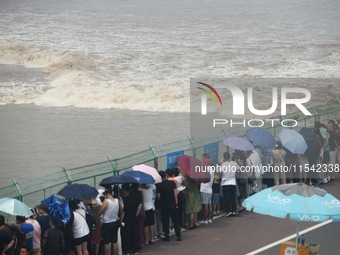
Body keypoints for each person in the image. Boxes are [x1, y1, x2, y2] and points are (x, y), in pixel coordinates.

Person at [157, 171, 181, 241]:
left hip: (164, 205)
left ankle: (167, 236)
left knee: (165, 221)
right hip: (172, 204)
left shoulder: (159, 185)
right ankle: (178, 235)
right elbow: (175, 193)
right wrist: (176, 202)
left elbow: (158, 196)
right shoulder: (172, 183)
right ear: (165, 175)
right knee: (175, 220)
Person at [121, 185, 142, 255]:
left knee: (126, 235)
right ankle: (135, 249)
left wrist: (121, 220)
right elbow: (140, 204)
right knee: (135, 233)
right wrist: (136, 213)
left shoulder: (123, 200)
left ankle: (126, 250)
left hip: (126, 219)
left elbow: (123, 211)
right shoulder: (134, 198)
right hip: (134, 217)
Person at [99, 189, 121, 255]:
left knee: (106, 242)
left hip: (107, 223)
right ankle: (114, 253)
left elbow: (100, 212)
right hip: (115, 222)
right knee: (114, 241)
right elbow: (121, 209)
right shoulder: (117, 200)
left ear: (107, 194)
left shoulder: (106, 202)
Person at [221, 152, 239, 217]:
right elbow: (239, 169)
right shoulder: (234, 163)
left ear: (224, 157)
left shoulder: (223, 164)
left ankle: (228, 211)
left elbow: (220, 171)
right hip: (232, 182)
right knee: (233, 197)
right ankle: (234, 210)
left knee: (227, 197)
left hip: (225, 183)